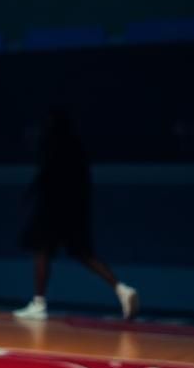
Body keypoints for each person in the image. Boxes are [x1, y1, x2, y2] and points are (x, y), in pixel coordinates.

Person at [14, 108, 139, 321]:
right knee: (83, 254)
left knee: (42, 250)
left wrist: (35, 199)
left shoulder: (54, 147)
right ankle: (122, 289)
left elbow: (47, 180)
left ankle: (38, 303)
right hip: (74, 212)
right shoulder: (76, 148)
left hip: (54, 209)